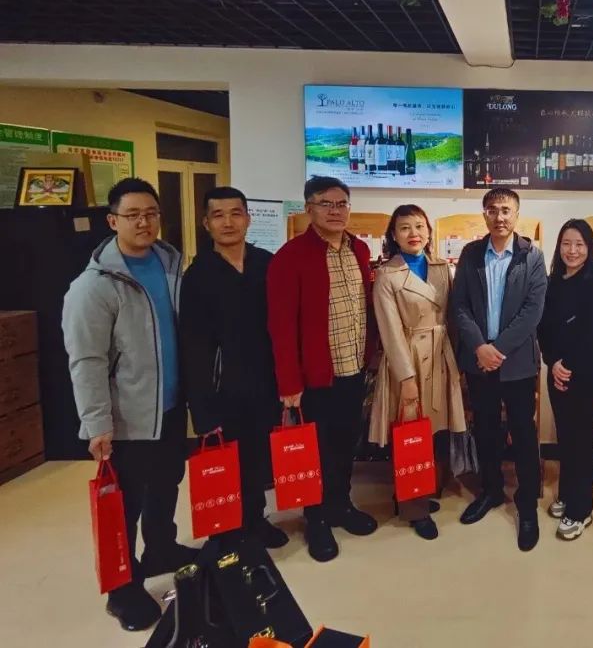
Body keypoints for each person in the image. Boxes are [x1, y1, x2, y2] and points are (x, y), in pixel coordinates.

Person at [62, 178, 197, 632]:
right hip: (127, 419)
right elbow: (86, 361)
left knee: (166, 485)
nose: (144, 222)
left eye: (151, 213)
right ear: (112, 220)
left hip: (170, 408)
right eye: (133, 214)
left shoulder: (169, 262)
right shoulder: (94, 286)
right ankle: (122, 591)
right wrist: (96, 423)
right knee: (125, 506)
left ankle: (161, 548)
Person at [267, 176, 379, 563]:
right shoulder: (290, 257)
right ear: (309, 209)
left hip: (354, 368)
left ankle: (340, 505)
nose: (335, 211)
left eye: (341, 203)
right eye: (325, 203)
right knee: (314, 451)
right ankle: (314, 518)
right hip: (315, 376)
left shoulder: (359, 249)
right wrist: (289, 382)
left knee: (346, 443)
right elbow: (281, 326)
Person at [179, 187, 288, 549]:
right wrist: (201, 408)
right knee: (227, 462)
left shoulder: (266, 264)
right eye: (218, 215)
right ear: (206, 223)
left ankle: (256, 520)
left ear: (248, 218)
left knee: (258, 459)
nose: (228, 222)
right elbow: (193, 346)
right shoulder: (198, 276)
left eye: (235, 213)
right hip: (222, 388)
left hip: (265, 383)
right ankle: (227, 532)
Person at [450, 188, 547, 551]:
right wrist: (480, 346)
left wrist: (498, 349)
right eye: (492, 210)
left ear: (516, 215)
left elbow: (532, 311)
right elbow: (459, 306)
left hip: (516, 363)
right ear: (484, 215)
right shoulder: (471, 254)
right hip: (479, 361)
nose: (499, 216)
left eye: (506, 210)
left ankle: (527, 502)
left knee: (523, 433)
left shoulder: (531, 256)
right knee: (486, 429)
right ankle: (491, 490)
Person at [368, 204, 467, 540]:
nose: (414, 234)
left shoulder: (440, 267)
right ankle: (413, 509)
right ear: (394, 236)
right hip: (407, 359)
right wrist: (406, 378)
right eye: (405, 227)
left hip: (439, 356)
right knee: (410, 435)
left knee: (434, 432)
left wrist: (455, 362)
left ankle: (418, 493)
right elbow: (390, 331)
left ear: (428, 231)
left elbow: (451, 317)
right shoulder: (387, 274)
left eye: (420, 226)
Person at [537, 219, 593, 541]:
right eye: (566, 243)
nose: (572, 250)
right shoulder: (553, 282)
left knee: (581, 442)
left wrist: (567, 366)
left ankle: (581, 510)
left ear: (589, 248)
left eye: (579, 244)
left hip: (586, 377)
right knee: (566, 437)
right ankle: (567, 494)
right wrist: (553, 361)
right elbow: (543, 328)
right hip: (557, 373)